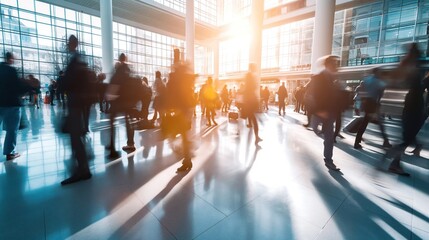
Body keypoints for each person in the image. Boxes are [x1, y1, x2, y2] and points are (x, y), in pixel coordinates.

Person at [386, 43, 426, 176]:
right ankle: (391, 159)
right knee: (407, 137)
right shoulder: (413, 67)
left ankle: (394, 163)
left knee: (407, 136)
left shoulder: (407, 65)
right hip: (413, 105)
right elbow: (415, 88)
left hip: (409, 105)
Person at [60, 35, 93, 185]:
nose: (68, 45)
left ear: (73, 44)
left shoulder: (76, 60)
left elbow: (72, 81)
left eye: (69, 43)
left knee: (74, 135)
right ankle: (82, 168)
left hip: (76, 101)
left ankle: (83, 170)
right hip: (78, 101)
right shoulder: (80, 59)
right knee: (75, 134)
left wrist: (62, 82)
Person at [306, 55, 340, 171]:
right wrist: (319, 110)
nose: (336, 66)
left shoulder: (333, 79)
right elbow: (312, 95)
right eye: (334, 64)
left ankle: (328, 159)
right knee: (316, 130)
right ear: (328, 65)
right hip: (318, 112)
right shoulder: (318, 78)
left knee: (329, 137)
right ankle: (321, 131)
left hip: (329, 113)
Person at [0, 52, 32, 160]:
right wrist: (28, 85)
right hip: (11, 103)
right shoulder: (11, 70)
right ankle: (10, 153)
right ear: (11, 59)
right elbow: (17, 88)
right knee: (11, 130)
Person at [164, 62, 196, 172]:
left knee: (179, 135)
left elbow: (174, 96)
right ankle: (187, 158)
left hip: (181, 112)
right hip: (185, 110)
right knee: (183, 135)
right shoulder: (184, 79)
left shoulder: (177, 80)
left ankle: (187, 158)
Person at [108, 53, 139, 157]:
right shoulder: (129, 70)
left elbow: (113, 87)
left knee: (112, 122)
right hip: (130, 102)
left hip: (119, 101)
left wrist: (110, 99)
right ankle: (131, 144)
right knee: (129, 122)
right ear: (125, 59)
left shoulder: (118, 71)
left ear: (119, 59)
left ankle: (112, 147)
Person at [354, 68, 391, 149]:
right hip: (374, 104)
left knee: (365, 123)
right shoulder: (379, 82)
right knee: (379, 123)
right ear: (376, 72)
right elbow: (381, 95)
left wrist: (363, 102)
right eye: (380, 72)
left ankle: (357, 142)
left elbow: (361, 90)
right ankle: (385, 141)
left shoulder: (366, 80)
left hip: (367, 103)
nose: (381, 74)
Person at [244, 63, 262, 145]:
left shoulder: (249, 75)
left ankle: (256, 136)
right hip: (251, 100)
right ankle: (256, 136)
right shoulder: (251, 76)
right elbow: (252, 87)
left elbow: (248, 88)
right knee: (252, 117)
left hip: (249, 101)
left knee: (251, 117)